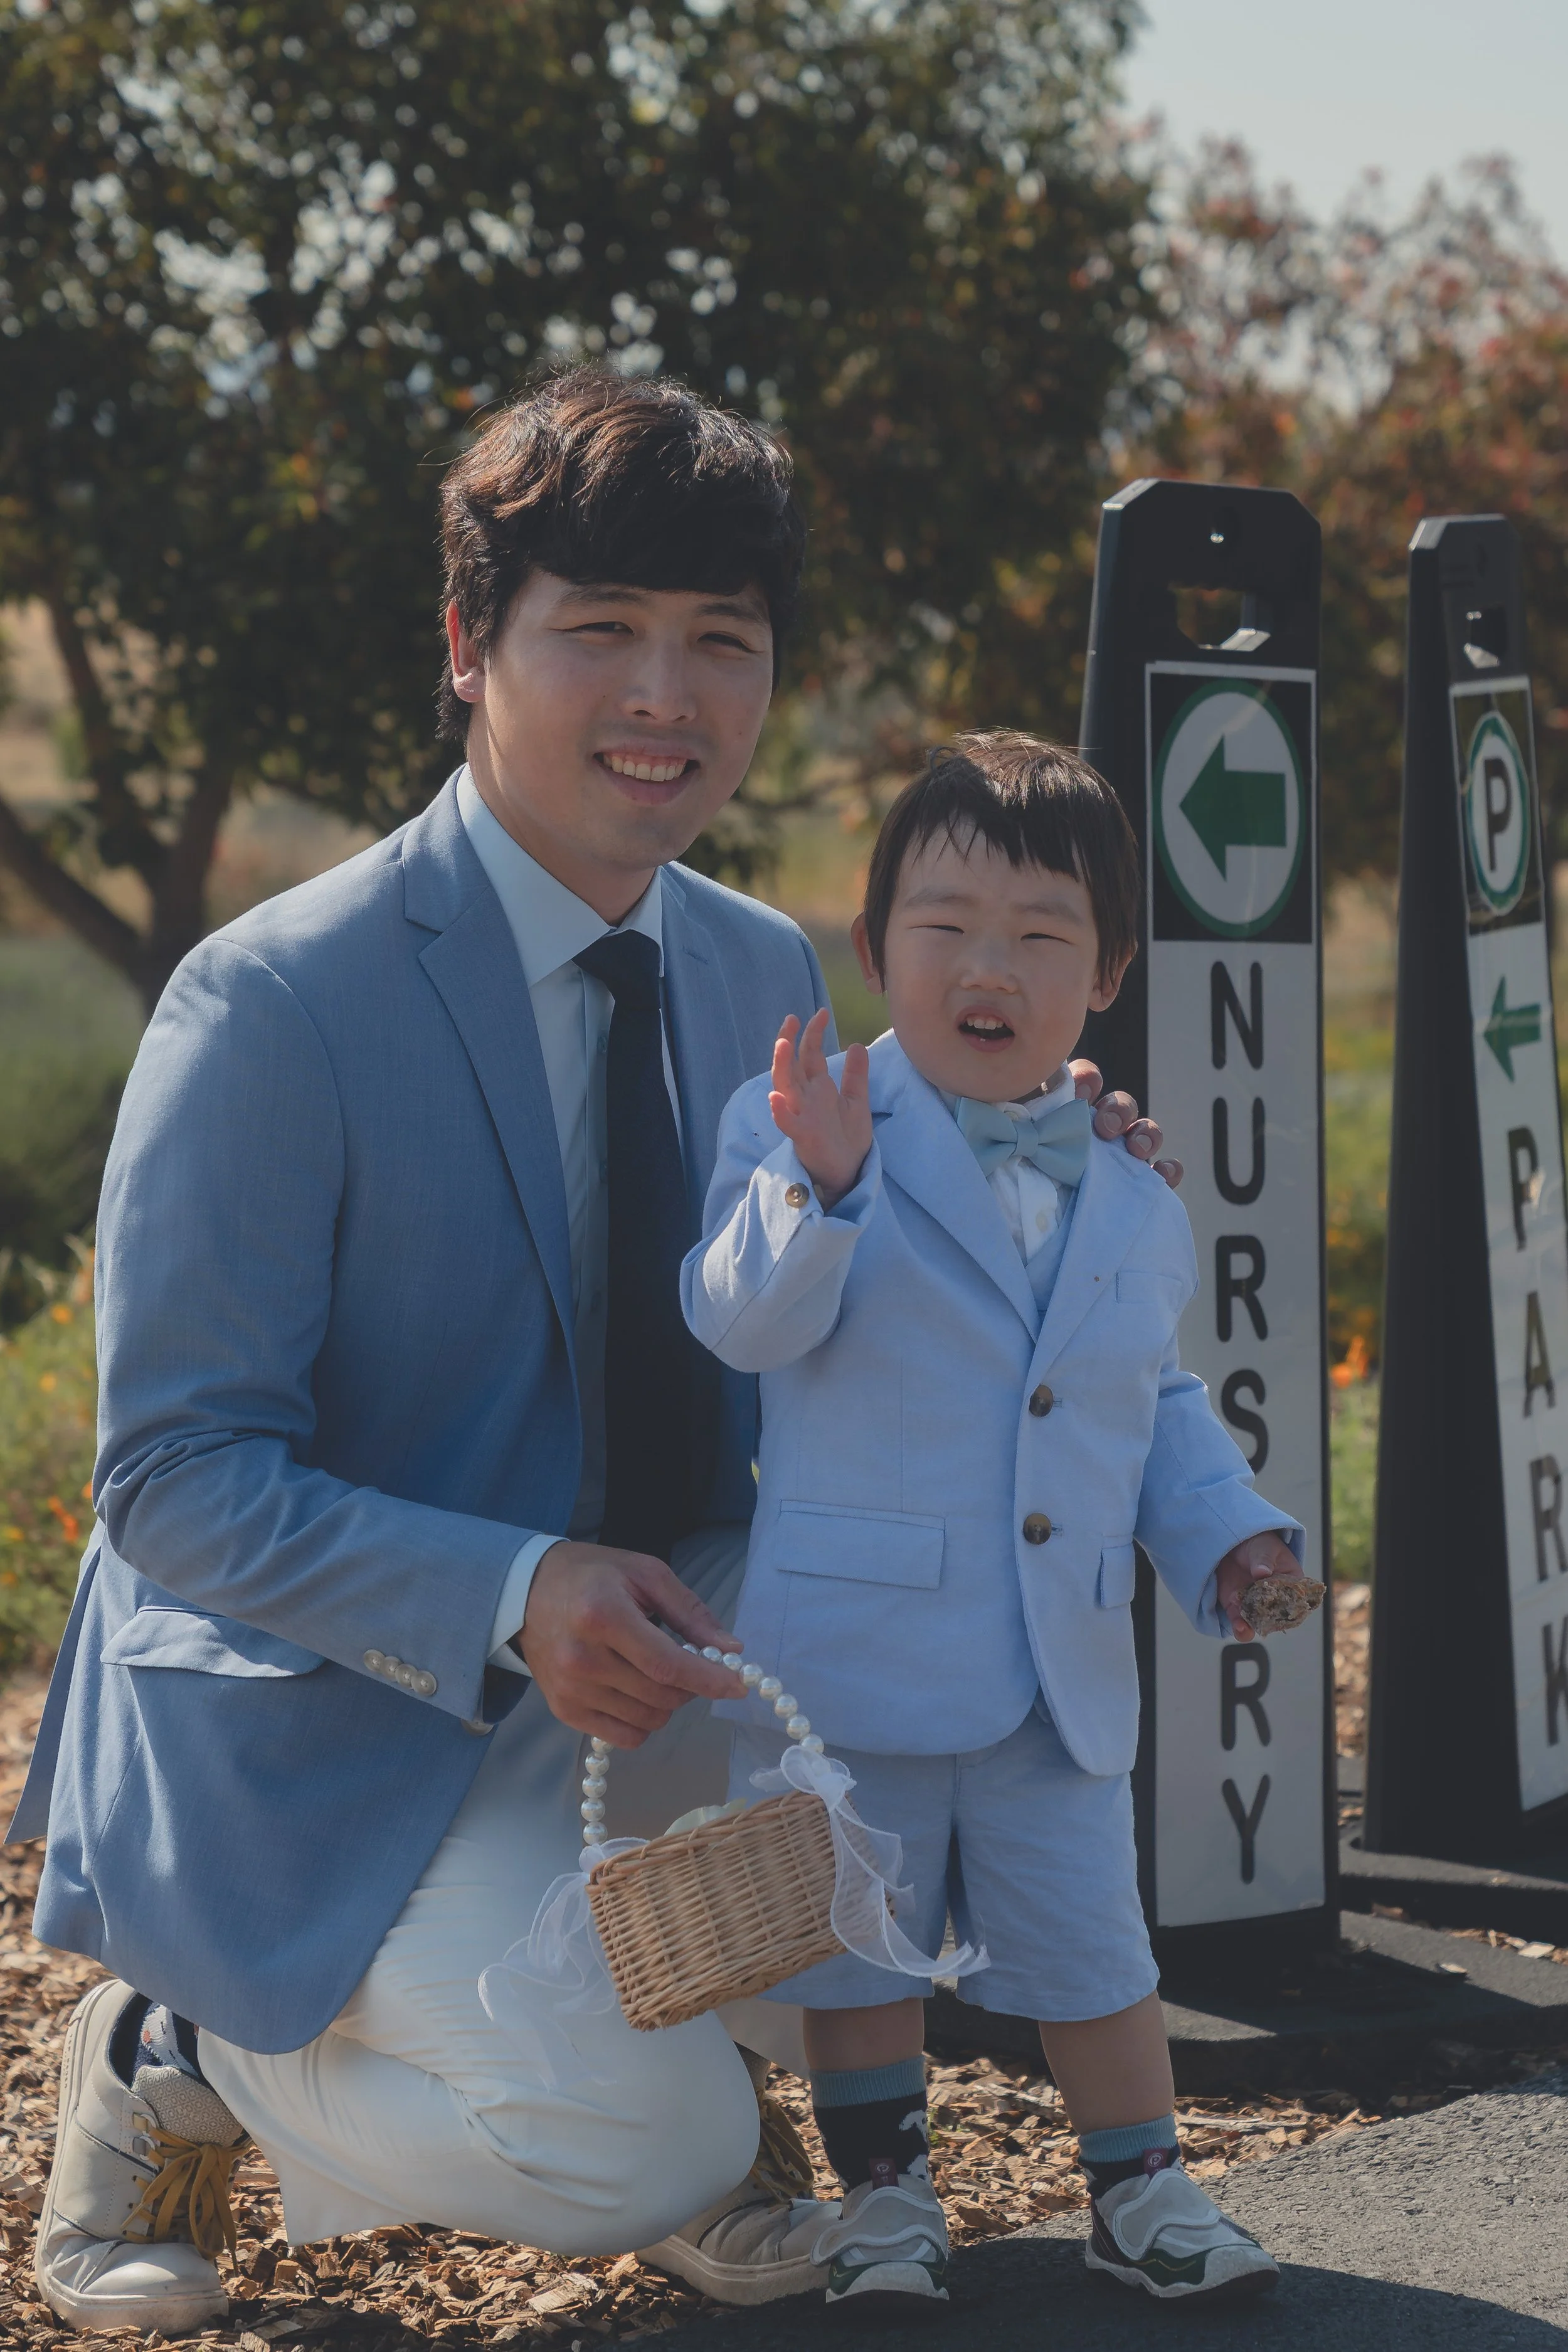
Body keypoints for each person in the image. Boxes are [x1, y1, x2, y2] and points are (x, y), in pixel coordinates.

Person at [8, 374, 1180, 2336]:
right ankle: (175, 2045)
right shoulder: (270, 998)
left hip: (662, 1627)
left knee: (918, 1696)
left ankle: (666, 2048)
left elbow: (888, 1255)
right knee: (634, 2151)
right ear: (470, 646)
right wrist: (512, 1587)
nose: (666, 694)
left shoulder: (756, 965)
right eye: (602, 629)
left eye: (721, 638)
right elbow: (170, 1479)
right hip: (341, 1698)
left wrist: (1060, 1147)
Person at [682, 733, 1308, 2312]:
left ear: (1104, 973)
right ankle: (886, 2196)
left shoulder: (1132, 1191)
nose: (988, 966)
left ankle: (1139, 2185)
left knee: (1095, 1943)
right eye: (945, 925)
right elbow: (737, 1326)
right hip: (853, 1652)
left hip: (1054, 1662)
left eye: (1040, 935)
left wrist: (1224, 1531)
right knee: (859, 1948)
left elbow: (1141, 1393)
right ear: (871, 943)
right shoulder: (805, 1124)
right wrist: (820, 1186)